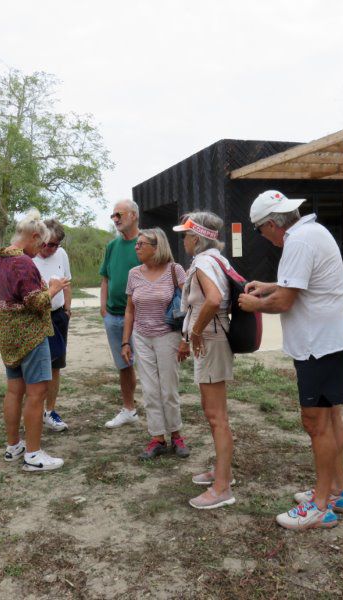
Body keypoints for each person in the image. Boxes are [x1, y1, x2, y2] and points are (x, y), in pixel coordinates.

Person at [238, 190, 343, 530]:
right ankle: (335, 491)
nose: (263, 237)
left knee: (315, 423)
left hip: (316, 346)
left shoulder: (298, 242)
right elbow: (301, 285)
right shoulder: (312, 232)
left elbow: (285, 302)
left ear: (272, 224)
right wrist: (269, 285)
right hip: (332, 341)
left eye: (261, 231)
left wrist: (254, 304)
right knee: (331, 418)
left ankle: (319, 507)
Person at [0, 209, 69, 472]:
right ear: (34, 236)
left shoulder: (1, 258)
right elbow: (36, 303)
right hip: (30, 336)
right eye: (42, 243)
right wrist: (54, 289)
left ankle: (13, 446)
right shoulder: (23, 262)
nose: (42, 249)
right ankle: (34, 455)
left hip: (8, 335)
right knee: (37, 394)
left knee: (14, 391)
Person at [173, 212, 236, 509]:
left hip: (210, 340)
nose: (183, 240)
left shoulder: (201, 263)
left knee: (216, 417)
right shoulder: (217, 259)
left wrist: (195, 332)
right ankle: (223, 473)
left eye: (186, 235)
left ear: (196, 238)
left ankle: (222, 488)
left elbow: (212, 300)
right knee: (216, 415)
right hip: (213, 339)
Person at [121, 228, 189, 460]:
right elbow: (130, 310)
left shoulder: (175, 270)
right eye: (136, 244)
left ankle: (176, 435)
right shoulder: (134, 274)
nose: (136, 247)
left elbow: (190, 305)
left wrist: (185, 339)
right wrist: (125, 342)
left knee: (168, 388)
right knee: (150, 390)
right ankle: (157, 437)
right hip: (141, 337)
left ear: (156, 246)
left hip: (167, 336)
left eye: (141, 244)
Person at [99, 199, 142, 428]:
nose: (115, 219)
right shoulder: (112, 246)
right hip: (114, 316)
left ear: (133, 215)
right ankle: (129, 409)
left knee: (147, 363)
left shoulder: (146, 243)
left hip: (141, 317)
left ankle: (160, 412)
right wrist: (103, 307)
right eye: (112, 216)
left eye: (119, 214)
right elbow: (105, 277)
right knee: (124, 365)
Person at [32, 219, 72, 432]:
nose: (48, 249)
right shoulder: (28, 257)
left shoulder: (62, 255)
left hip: (57, 316)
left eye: (54, 245)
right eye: (46, 243)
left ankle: (50, 411)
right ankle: (33, 411)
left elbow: (67, 283)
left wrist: (67, 310)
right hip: (36, 317)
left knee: (56, 365)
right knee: (35, 366)